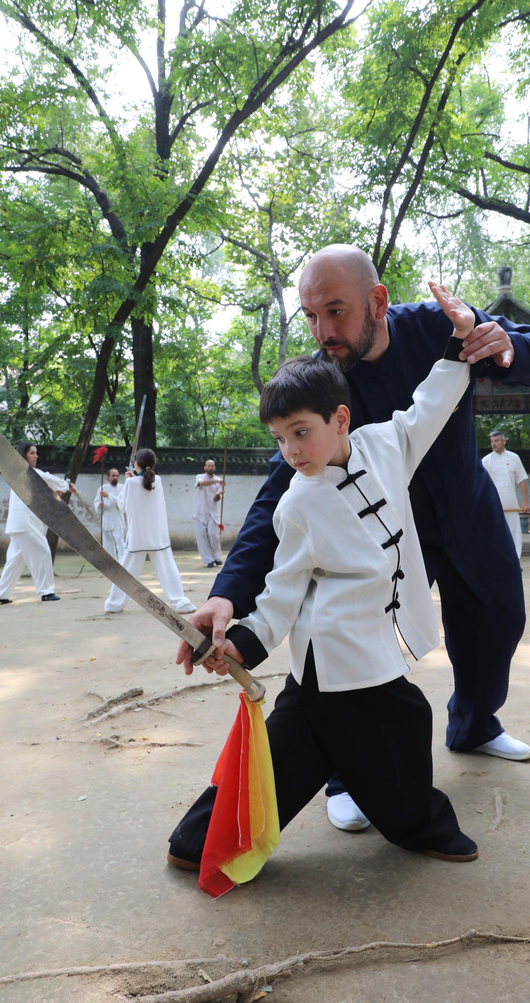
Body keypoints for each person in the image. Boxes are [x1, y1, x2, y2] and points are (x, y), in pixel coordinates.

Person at [176, 245, 530, 836]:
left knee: (499, 621)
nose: (323, 331)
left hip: (468, 510)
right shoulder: (322, 383)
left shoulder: (436, 325)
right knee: (349, 650)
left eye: (336, 311)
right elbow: (276, 497)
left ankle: (475, 724)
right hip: (378, 541)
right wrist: (227, 592)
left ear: (377, 302)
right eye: (311, 316)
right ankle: (346, 775)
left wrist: (505, 345)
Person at [168, 284, 480, 873]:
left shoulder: (385, 445)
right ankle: (420, 824)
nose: (290, 451)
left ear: (340, 419)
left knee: (300, 753)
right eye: (279, 438)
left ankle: (196, 842)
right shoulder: (298, 503)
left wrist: (460, 340)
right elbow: (282, 591)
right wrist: (243, 643)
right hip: (338, 654)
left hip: (364, 649)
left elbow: (431, 404)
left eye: (300, 432)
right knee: (403, 720)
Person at [104, 449, 196, 614]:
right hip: (157, 536)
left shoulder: (130, 484)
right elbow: (143, 487)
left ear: (136, 464)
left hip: (137, 537)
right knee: (168, 569)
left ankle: (114, 604)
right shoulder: (157, 480)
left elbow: (122, 506)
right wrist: (133, 479)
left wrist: (129, 481)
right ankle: (181, 603)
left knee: (126, 571)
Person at [0, 441, 76, 604]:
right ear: (23, 455)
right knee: (43, 552)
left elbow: (42, 493)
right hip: (25, 523)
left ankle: (0, 593)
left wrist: (58, 491)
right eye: (32, 453)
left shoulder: (18, 474)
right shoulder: (28, 472)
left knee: (15, 561)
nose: (36, 456)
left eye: (36, 453)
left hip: (19, 524)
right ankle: (46, 591)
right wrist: (67, 485)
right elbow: (47, 477)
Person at [482, 431, 530, 559]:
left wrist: (526, 502)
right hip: (492, 504)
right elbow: (480, 484)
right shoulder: (486, 461)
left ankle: (515, 559)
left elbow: (522, 480)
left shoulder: (514, 458)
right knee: (492, 532)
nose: (494, 444)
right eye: (492, 441)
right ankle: (494, 560)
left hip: (510, 503)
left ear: (504, 441)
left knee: (513, 531)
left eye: (497, 441)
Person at [193, 459, 224, 567]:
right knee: (201, 536)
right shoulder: (199, 477)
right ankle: (208, 560)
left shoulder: (219, 480)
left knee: (213, 534)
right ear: (205, 467)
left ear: (215, 468)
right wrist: (216, 481)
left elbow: (217, 498)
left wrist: (218, 495)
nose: (211, 467)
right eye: (209, 465)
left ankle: (216, 557)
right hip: (200, 511)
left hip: (213, 512)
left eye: (212, 466)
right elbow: (202, 483)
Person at [94, 467, 126, 562]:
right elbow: (96, 502)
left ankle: (123, 563)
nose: (115, 477)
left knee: (120, 543)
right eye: (113, 475)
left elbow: (120, 502)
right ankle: (111, 563)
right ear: (108, 477)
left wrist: (108, 496)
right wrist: (99, 505)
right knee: (108, 545)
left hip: (118, 521)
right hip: (106, 520)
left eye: (117, 476)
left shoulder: (122, 488)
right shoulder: (102, 488)